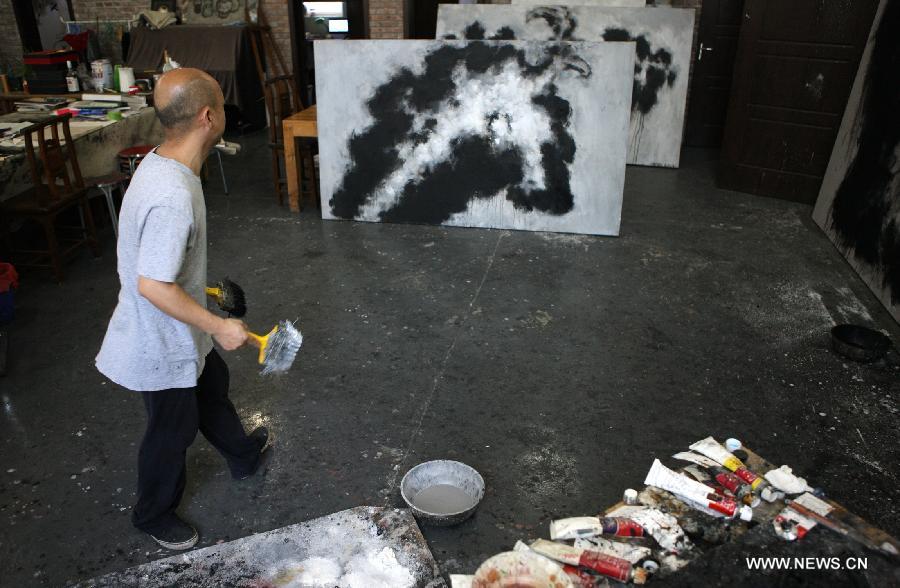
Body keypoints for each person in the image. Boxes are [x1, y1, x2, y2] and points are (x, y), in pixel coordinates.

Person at [96, 68, 270, 551]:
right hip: (158, 339)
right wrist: (221, 325)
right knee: (171, 431)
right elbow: (152, 283)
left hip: (180, 322)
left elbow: (158, 263)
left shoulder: (163, 163)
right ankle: (152, 513)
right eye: (223, 107)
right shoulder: (172, 195)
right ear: (208, 116)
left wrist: (204, 289)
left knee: (212, 390)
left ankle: (242, 454)